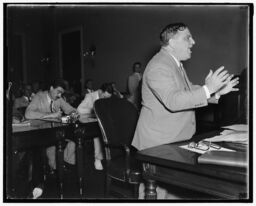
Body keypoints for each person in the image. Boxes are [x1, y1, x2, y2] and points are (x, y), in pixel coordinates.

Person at [132, 23, 239, 199]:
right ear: (172, 42)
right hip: (157, 145)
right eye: (187, 38)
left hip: (174, 140)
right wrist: (207, 89)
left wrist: (216, 92)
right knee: (158, 193)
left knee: (175, 192)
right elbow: (174, 101)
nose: (193, 42)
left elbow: (188, 91)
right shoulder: (159, 65)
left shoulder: (174, 63)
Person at [25, 79, 77, 171]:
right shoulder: (39, 96)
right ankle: (56, 166)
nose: (60, 95)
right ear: (51, 88)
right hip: (41, 131)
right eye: (58, 92)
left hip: (56, 130)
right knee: (52, 145)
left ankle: (64, 162)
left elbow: (73, 111)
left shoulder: (59, 99)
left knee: (74, 140)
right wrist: (50, 115)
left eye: (62, 93)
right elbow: (28, 114)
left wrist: (67, 119)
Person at [77, 82, 114, 170]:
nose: (105, 100)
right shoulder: (90, 96)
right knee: (98, 134)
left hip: (100, 122)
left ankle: (111, 159)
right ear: (100, 91)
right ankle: (97, 159)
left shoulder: (106, 97)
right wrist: (94, 111)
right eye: (104, 97)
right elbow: (79, 109)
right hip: (88, 123)